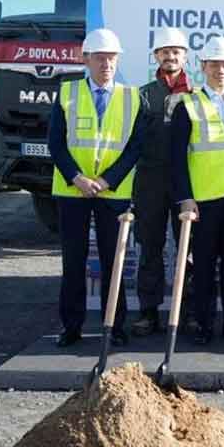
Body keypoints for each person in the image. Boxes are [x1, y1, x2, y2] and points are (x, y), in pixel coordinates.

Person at [47, 28, 145, 347]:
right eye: (100, 58)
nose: (107, 64)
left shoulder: (132, 97)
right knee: (73, 261)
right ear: (86, 59)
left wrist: (106, 180)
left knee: (113, 261)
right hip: (72, 190)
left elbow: (135, 147)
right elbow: (55, 143)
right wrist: (77, 177)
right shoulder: (67, 92)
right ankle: (71, 327)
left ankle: (114, 326)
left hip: (112, 192)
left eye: (112, 58)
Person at [170, 36, 224, 346]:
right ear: (203, 67)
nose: (221, 70)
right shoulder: (187, 105)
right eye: (215, 65)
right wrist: (186, 198)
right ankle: (203, 324)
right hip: (203, 200)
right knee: (204, 265)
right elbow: (177, 157)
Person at [131, 27, 195, 338]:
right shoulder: (143, 94)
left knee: (190, 251)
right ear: (156, 56)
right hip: (150, 182)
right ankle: (148, 312)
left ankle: (189, 313)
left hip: (188, 183)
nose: (171, 56)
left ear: (185, 56)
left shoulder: (198, 94)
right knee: (150, 248)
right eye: (165, 51)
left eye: (176, 51)